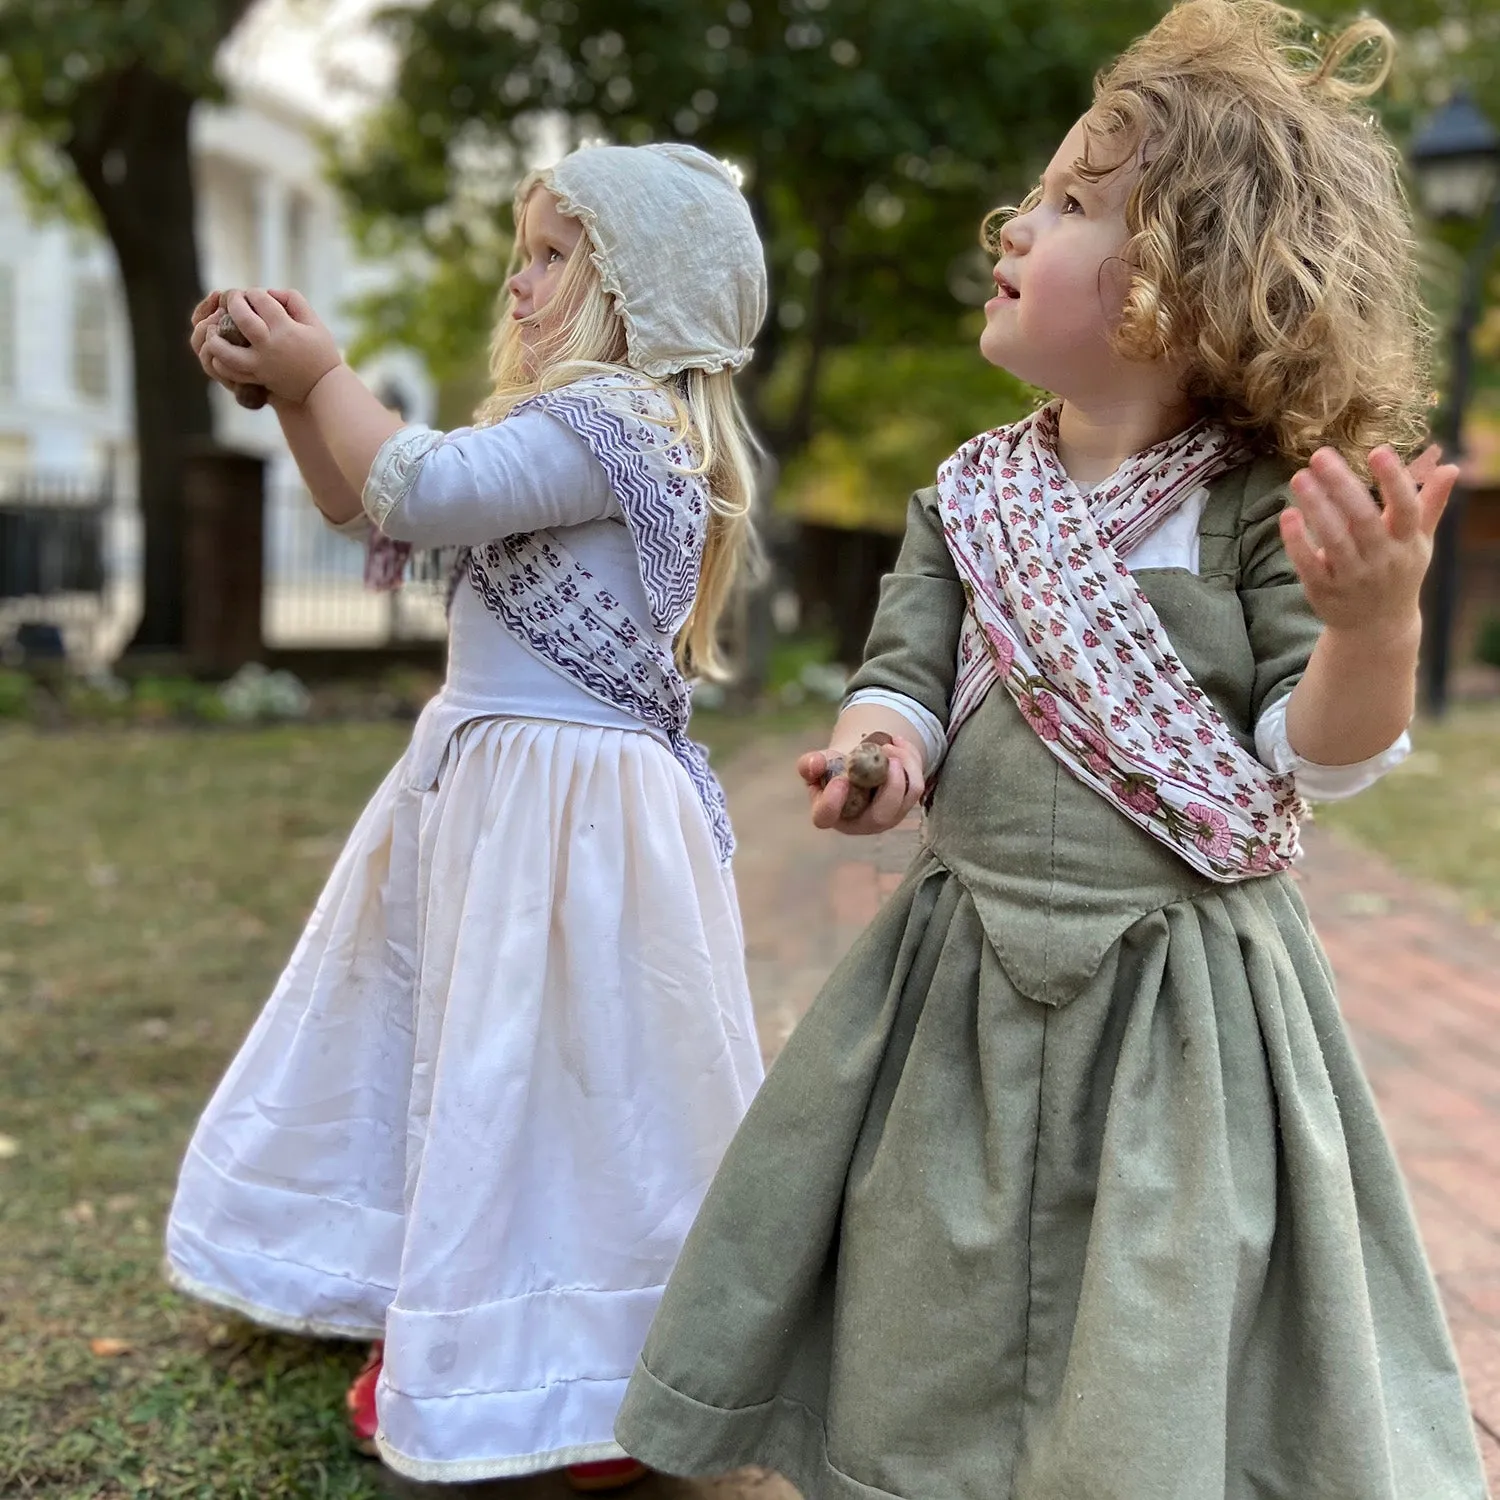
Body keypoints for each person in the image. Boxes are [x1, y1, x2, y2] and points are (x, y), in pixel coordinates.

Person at [613, 6, 1489, 1497]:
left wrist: (1372, 634)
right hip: (959, 980)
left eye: (1077, 204)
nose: (1018, 223)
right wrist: (879, 750)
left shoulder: (1255, 508)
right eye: (1040, 194)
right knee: (925, 1274)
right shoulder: (967, 501)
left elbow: (1318, 756)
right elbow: (904, 673)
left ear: (1191, 279)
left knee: (1152, 1294)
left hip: (1181, 1002)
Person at [165, 141, 769, 1491]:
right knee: (463, 1056)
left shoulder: (614, 428)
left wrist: (327, 374)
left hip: (573, 820)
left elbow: (421, 488)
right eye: (525, 248)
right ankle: (456, 1310)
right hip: (491, 799)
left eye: (556, 253)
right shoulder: (549, 430)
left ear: (641, 291)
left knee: (561, 1076)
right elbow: (362, 495)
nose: (519, 276)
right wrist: (287, 396)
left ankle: (583, 1358)